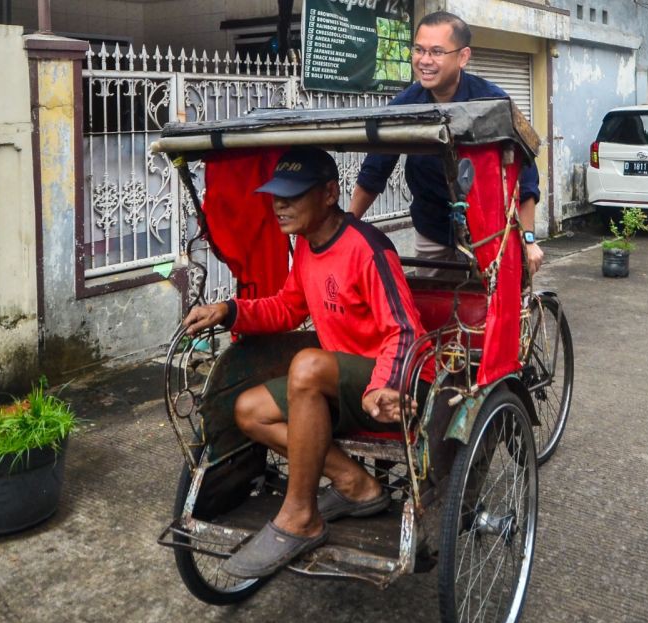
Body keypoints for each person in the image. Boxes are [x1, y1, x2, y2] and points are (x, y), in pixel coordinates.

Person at [182, 147, 433, 578]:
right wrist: (230, 309)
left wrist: (384, 385)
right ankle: (357, 483)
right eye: (276, 195)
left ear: (330, 193)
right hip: (338, 385)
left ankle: (301, 515)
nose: (279, 205)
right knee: (248, 411)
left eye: (293, 195)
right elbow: (287, 307)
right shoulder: (306, 245)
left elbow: (405, 330)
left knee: (306, 364)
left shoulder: (366, 249)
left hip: (393, 385)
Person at [349, 11, 544, 276]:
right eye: (419, 50)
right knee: (433, 306)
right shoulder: (404, 106)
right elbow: (374, 172)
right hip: (432, 229)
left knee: (491, 307)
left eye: (437, 52)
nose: (425, 60)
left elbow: (527, 176)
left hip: (490, 229)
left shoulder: (492, 103)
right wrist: (347, 229)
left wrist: (529, 239)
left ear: (462, 57)